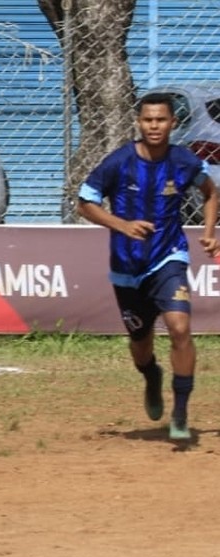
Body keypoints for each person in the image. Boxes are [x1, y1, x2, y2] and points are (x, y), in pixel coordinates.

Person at [77, 91, 218, 441]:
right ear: (139, 123)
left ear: (173, 123)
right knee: (140, 342)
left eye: (161, 120)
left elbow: (211, 192)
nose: (154, 126)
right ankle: (151, 376)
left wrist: (210, 232)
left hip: (169, 257)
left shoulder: (184, 161)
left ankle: (181, 412)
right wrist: (122, 225)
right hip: (126, 267)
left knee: (180, 327)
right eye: (148, 120)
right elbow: (84, 203)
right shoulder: (119, 162)